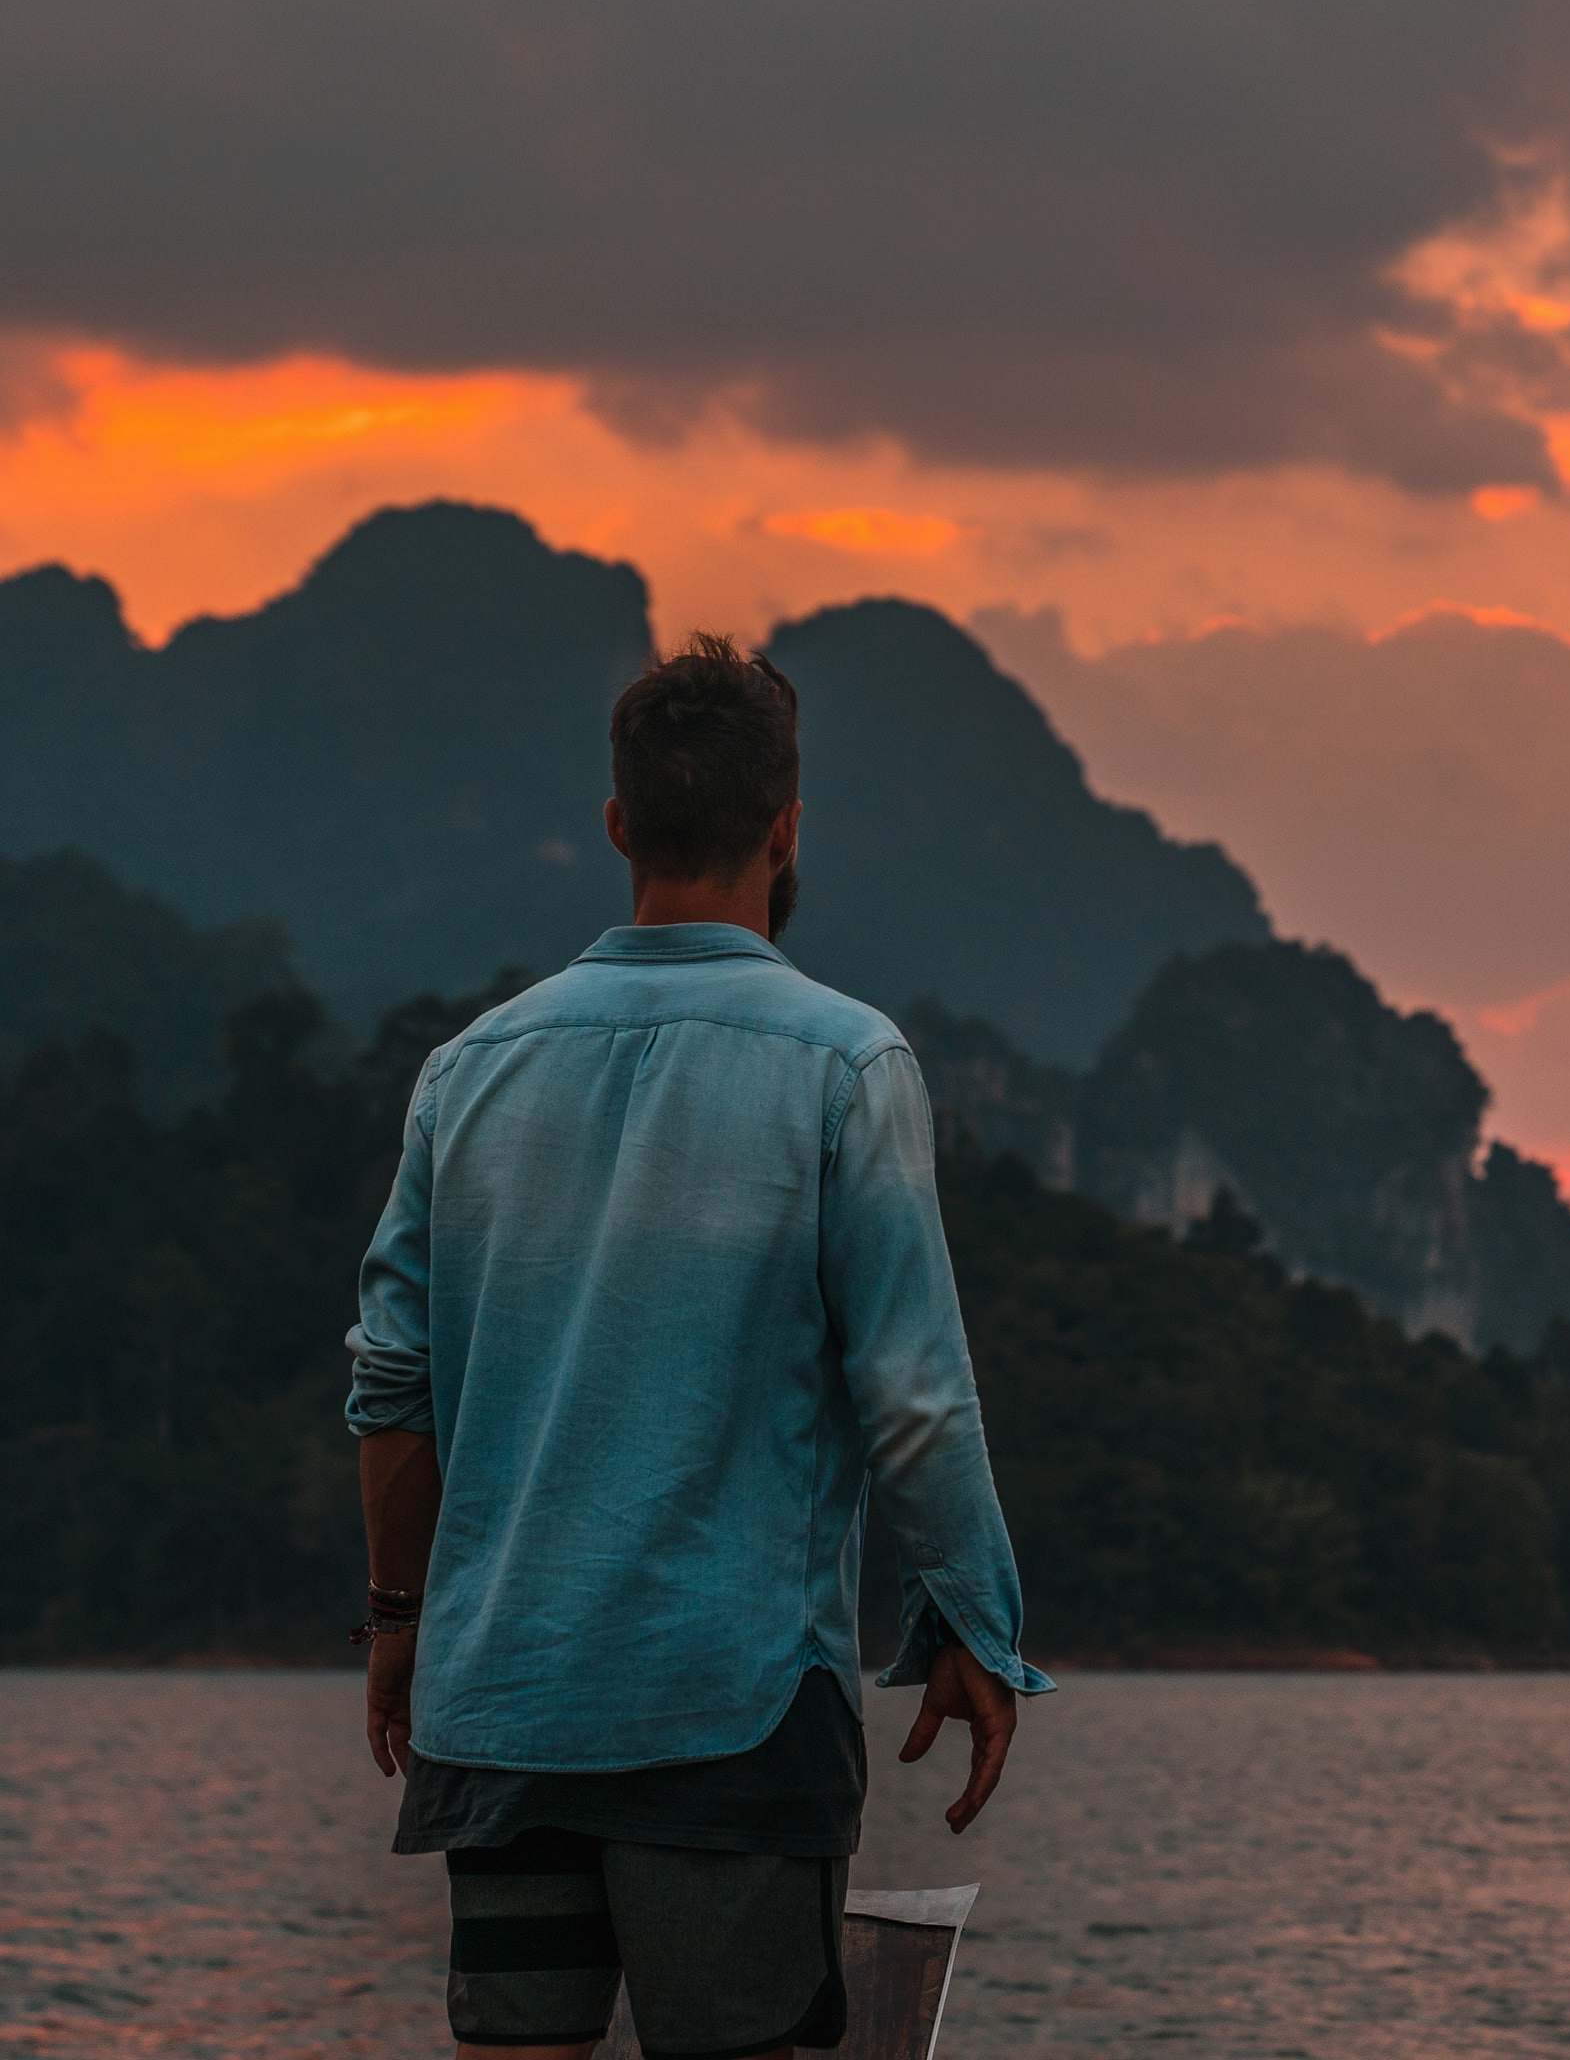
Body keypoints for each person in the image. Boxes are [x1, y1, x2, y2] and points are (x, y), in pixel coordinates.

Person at [343, 635, 1050, 2060]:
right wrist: (975, 1622)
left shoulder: (469, 1071)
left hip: (502, 1718)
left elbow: (393, 1390)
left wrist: (402, 1618)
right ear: (785, 830)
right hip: (729, 1723)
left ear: (618, 829)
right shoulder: (847, 1065)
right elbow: (914, 1398)